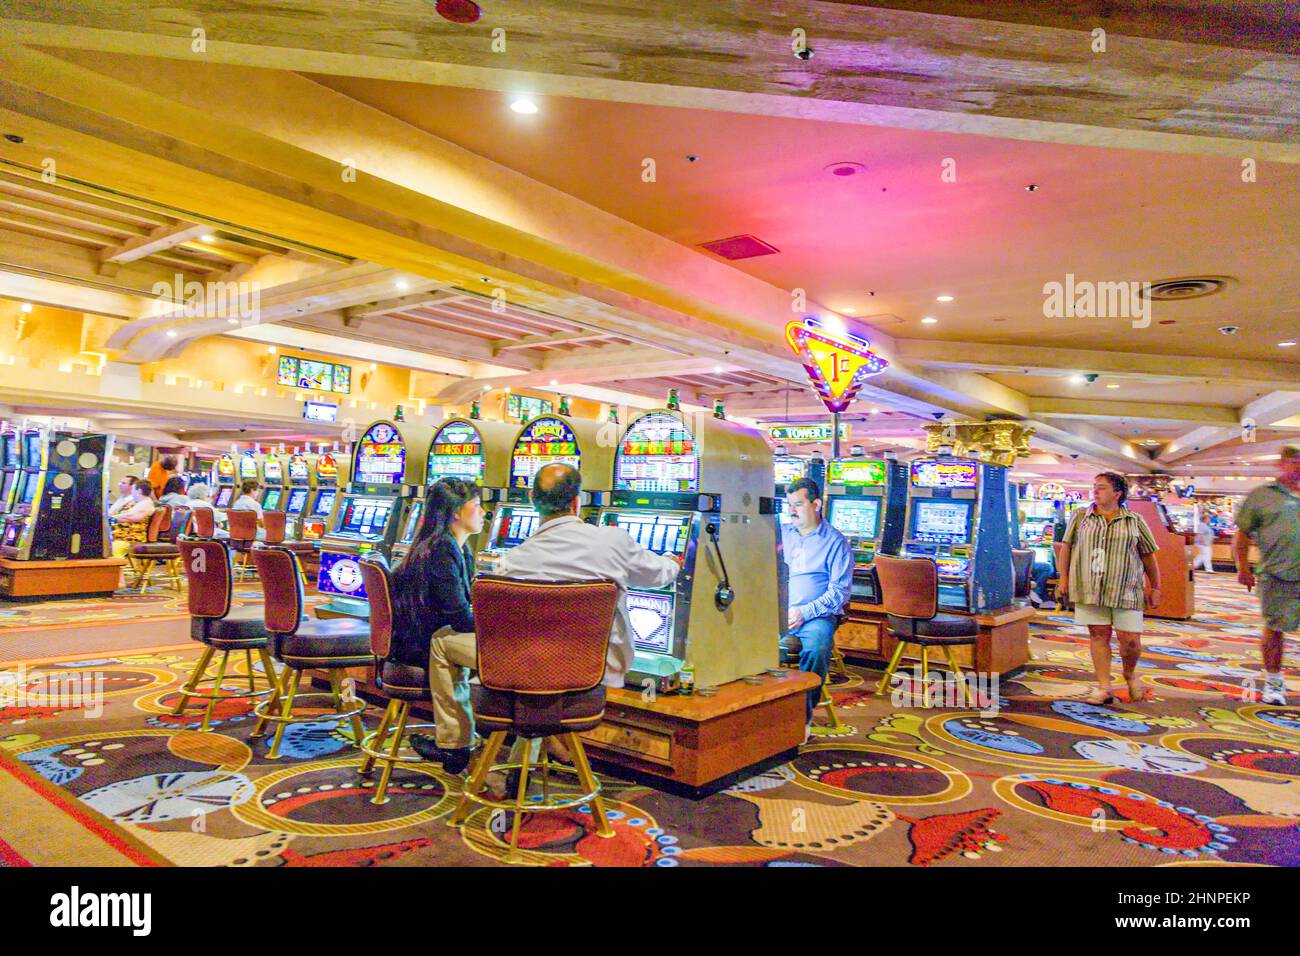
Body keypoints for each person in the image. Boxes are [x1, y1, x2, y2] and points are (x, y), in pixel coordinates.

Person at [418, 463, 682, 773]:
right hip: (590, 669)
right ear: (577, 501)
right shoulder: (613, 541)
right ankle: (525, 765)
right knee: (545, 677)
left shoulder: (512, 562)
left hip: (524, 670)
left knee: (482, 656)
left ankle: (460, 745)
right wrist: (673, 559)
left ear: (531, 500)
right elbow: (661, 575)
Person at [390, 478, 486, 774]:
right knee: (481, 649)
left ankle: (459, 742)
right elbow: (457, 615)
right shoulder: (442, 549)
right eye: (478, 506)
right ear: (457, 512)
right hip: (419, 644)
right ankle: (458, 745)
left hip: (423, 636)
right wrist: (496, 624)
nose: (484, 513)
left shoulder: (454, 547)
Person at [1058, 473, 1161, 705]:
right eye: (1094, 487)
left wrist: (1156, 587)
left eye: (1102, 488)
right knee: (1098, 635)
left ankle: (1129, 674)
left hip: (1127, 587)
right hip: (1090, 586)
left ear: (1117, 494)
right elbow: (1067, 547)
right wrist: (1063, 578)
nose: (1096, 491)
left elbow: (1148, 555)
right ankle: (1104, 686)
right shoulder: (1080, 517)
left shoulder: (1134, 520)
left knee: (1130, 640)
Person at [781, 476, 854, 732]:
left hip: (817, 616)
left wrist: (803, 612)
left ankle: (802, 720)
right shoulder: (782, 534)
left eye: (798, 504)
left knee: (816, 649)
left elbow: (839, 593)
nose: (792, 510)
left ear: (816, 504)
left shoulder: (836, 542)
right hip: (779, 611)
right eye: (789, 504)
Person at [1234, 446, 1300, 706]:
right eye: (1293, 462)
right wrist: (1242, 567)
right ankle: (1274, 684)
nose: (1297, 467)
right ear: (1281, 465)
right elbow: (1242, 534)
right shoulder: (1262, 496)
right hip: (1277, 574)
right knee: (1275, 628)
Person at [109, 479, 157, 557]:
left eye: (133, 490)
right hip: (119, 536)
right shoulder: (137, 503)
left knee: (108, 551)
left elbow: (129, 517)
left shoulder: (146, 504)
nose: (132, 492)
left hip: (130, 539)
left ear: (139, 491)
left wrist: (110, 519)